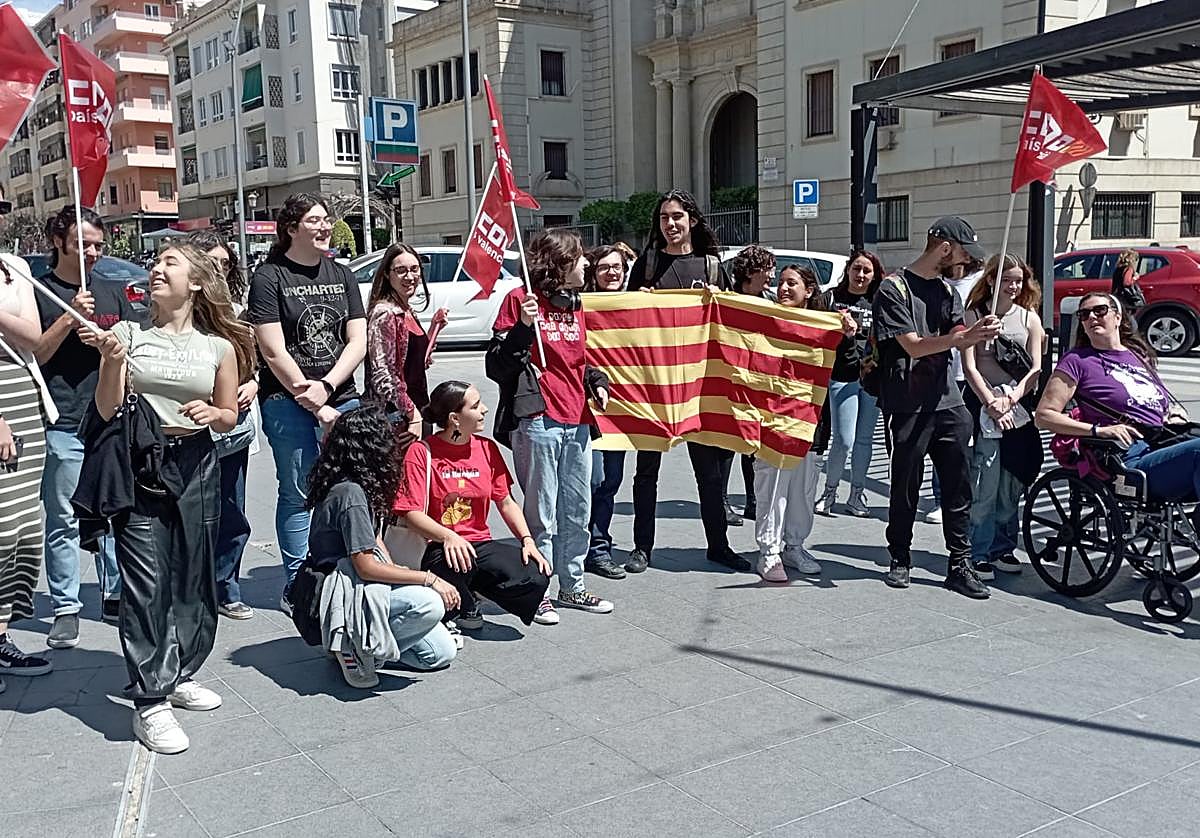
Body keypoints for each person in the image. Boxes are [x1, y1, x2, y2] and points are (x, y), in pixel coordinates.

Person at [90, 243, 253, 754]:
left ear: (198, 282)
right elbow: (106, 405)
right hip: (141, 463)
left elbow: (231, 414)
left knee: (193, 573)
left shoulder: (218, 347)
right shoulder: (128, 334)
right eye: (155, 262)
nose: (157, 269)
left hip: (198, 461)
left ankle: (179, 670)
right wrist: (113, 362)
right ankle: (149, 699)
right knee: (145, 582)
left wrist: (216, 414)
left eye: (171, 263)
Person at [488, 229, 613, 625]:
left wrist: (596, 382)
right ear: (559, 264)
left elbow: (577, 360)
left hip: (576, 418)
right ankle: (537, 589)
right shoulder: (519, 300)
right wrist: (523, 327)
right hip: (538, 418)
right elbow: (498, 366)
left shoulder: (574, 304)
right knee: (541, 513)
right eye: (579, 258)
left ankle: (572, 585)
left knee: (578, 507)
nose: (587, 265)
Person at [872, 216, 1001, 599]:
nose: (966, 262)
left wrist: (977, 334)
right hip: (906, 404)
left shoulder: (949, 292)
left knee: (959, 485)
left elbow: (958, 338)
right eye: (963, 252)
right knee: (905, 485)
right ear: (945, 247)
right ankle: (900, 556)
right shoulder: (893, 288)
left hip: (949, 401)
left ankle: (959, 564)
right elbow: (912, 345)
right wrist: (961, 338)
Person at [624, 190, 750, 573]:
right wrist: (638, 301)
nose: (670, 224)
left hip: (700, 387)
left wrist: (720, 299)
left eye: (677, 216)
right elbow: (624, 325)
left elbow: (732, 325)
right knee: (646, 472)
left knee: (709, 474)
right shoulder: (646, 264)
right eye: (664, 218)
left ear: (692, 219)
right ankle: (642, 547)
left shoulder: (712, 266)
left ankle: (718, 545)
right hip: (656, 387)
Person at [248, 194, 366, 602]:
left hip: (342, 396)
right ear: (291, 228)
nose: (324, 226)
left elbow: (357, 340)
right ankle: (300, 587)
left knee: (352, 486)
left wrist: (328, 388)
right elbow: (273, 350)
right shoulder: (269, 277)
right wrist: (312, 399)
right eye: (314, 220)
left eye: (326, 219)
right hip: (287, 402)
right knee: (298, 491)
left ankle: (350, 567)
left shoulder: (342, 273)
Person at [36, 207, 140, 650]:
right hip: (61, 419)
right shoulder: (38, 292)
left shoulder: (112, 292)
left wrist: (111, 345)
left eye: (98, 245)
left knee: (117, 511)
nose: (93, 253)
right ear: (59, 241)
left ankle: (115, 592)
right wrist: (68, 317)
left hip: (110, 419)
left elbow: (134, 351)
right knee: (62, 519)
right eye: (83, 244)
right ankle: (64, 608)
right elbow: (35, 356)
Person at [308, 402, 458, 689]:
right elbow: (365, 567)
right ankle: (354, 644)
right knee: (429, 603)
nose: (394, 444)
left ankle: (363, 643)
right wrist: (429, 579)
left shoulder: (360, 484)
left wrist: (395, 572)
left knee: (440, 654)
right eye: (388, 437)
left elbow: (374, 540)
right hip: (343, 593)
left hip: (360, 585)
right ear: (372, 446)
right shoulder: (350, 493)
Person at [393, 380, 551, 632]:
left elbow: (506, 501)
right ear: (455, 418)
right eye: (476, 406)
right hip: (435, 545)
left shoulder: (486, 449)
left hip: (479, 543)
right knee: (454, 561)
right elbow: (409, 512)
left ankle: (471, 591)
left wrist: (527, 540)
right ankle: (459, 605)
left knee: (534, 573)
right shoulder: (421, 452)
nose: (485, 409)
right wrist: (448, 537)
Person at [1036, 292, 1200, 507]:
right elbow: (1043, 416)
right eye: (1084, 314)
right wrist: (1098, 430)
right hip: (1129, 459)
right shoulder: (1077, 361)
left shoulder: (1138, 356)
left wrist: (1173, 413)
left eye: (1100, 310)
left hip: (1164, 444)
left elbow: (1158, 400)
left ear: (1118, 317)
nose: (1092, 317)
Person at [754, 266, 856, 581]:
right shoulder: (766, 318)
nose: (783, 288)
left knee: (802, 487)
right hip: (772, 418)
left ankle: (794, 545)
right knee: (773, 486)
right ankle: (768, 552)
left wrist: (846, 336)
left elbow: (845, 370)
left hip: (810, 419)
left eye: (792, 283)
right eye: (780, 282)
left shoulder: (823, 326)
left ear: (809, 290)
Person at [184, 230, 259, 620]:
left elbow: (253, 363)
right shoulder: (180, 313)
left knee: (232, 511)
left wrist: (252, 384)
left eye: (226, 264)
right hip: (189, 430)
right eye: (212, 262)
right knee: (193, 513)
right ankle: (193, 590)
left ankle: (226, 586)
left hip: (233, 430)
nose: (219, 270)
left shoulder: (239, 313)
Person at [961, 255, 1045, 578]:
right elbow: (970, 366)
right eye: (1006, 279)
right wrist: (990, 401)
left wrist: (1012, 396)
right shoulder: (976, 314)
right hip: (985, 406)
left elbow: (1036, 368)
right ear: (991, 280)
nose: (1013, 286)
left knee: (1010, 483)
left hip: (1017, 407)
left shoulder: (1029, 319)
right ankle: (977, 549)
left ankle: (1003, 546)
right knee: (986, 478)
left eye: (1018, 280)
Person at [0, 213, 56, 684]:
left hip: (24, 399)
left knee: (22, 529)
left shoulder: (12, 265)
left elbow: (33, 340)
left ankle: (0, 637)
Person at [817, 249, 884, 517]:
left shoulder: (879, 300)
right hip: (841, 375)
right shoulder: (833, 297)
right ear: (848, 270)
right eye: (857, 269)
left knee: (864, 440)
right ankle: (830, 490)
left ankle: (857, 494)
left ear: (875, 274)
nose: (861, 275)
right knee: (844, 440)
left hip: (871, 377)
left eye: (867, 270)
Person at [582, 245, 634, 579]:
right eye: (604, 268)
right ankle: (589, 546)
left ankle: (597, 546)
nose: (612, 273)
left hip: (621, 410)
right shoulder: (579, 307)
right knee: (592, 481)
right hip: (584, 409)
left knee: (611, 481)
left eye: (617, 267)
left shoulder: (634, 306)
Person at [365, 243, 448, 438]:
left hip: (418, 408)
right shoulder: (385, 313)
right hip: (395, 416)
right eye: (400, 270)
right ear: (387, 274)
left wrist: (434, 328)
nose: (409, 277)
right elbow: (383, 376)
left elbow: (415, 362)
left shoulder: (406, 310)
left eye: (414, 269)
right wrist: (412, 414)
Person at [724, 244, 777, 524]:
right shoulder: (727, 299)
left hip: (758, 381)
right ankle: (722, 502)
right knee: (725, 444)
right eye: (767, 269)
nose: (772, 275)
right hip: (730, 380)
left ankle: (753, 499)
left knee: (752, 442)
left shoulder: (770, 301)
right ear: (751, 271)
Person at [1110, 249, 1144, 327]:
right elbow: (1127, 283)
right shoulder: (1129, 268)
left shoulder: (1118, 269)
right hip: (1126, 297)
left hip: (1117, 295)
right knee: (1130, 320)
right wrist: (1135, 278)